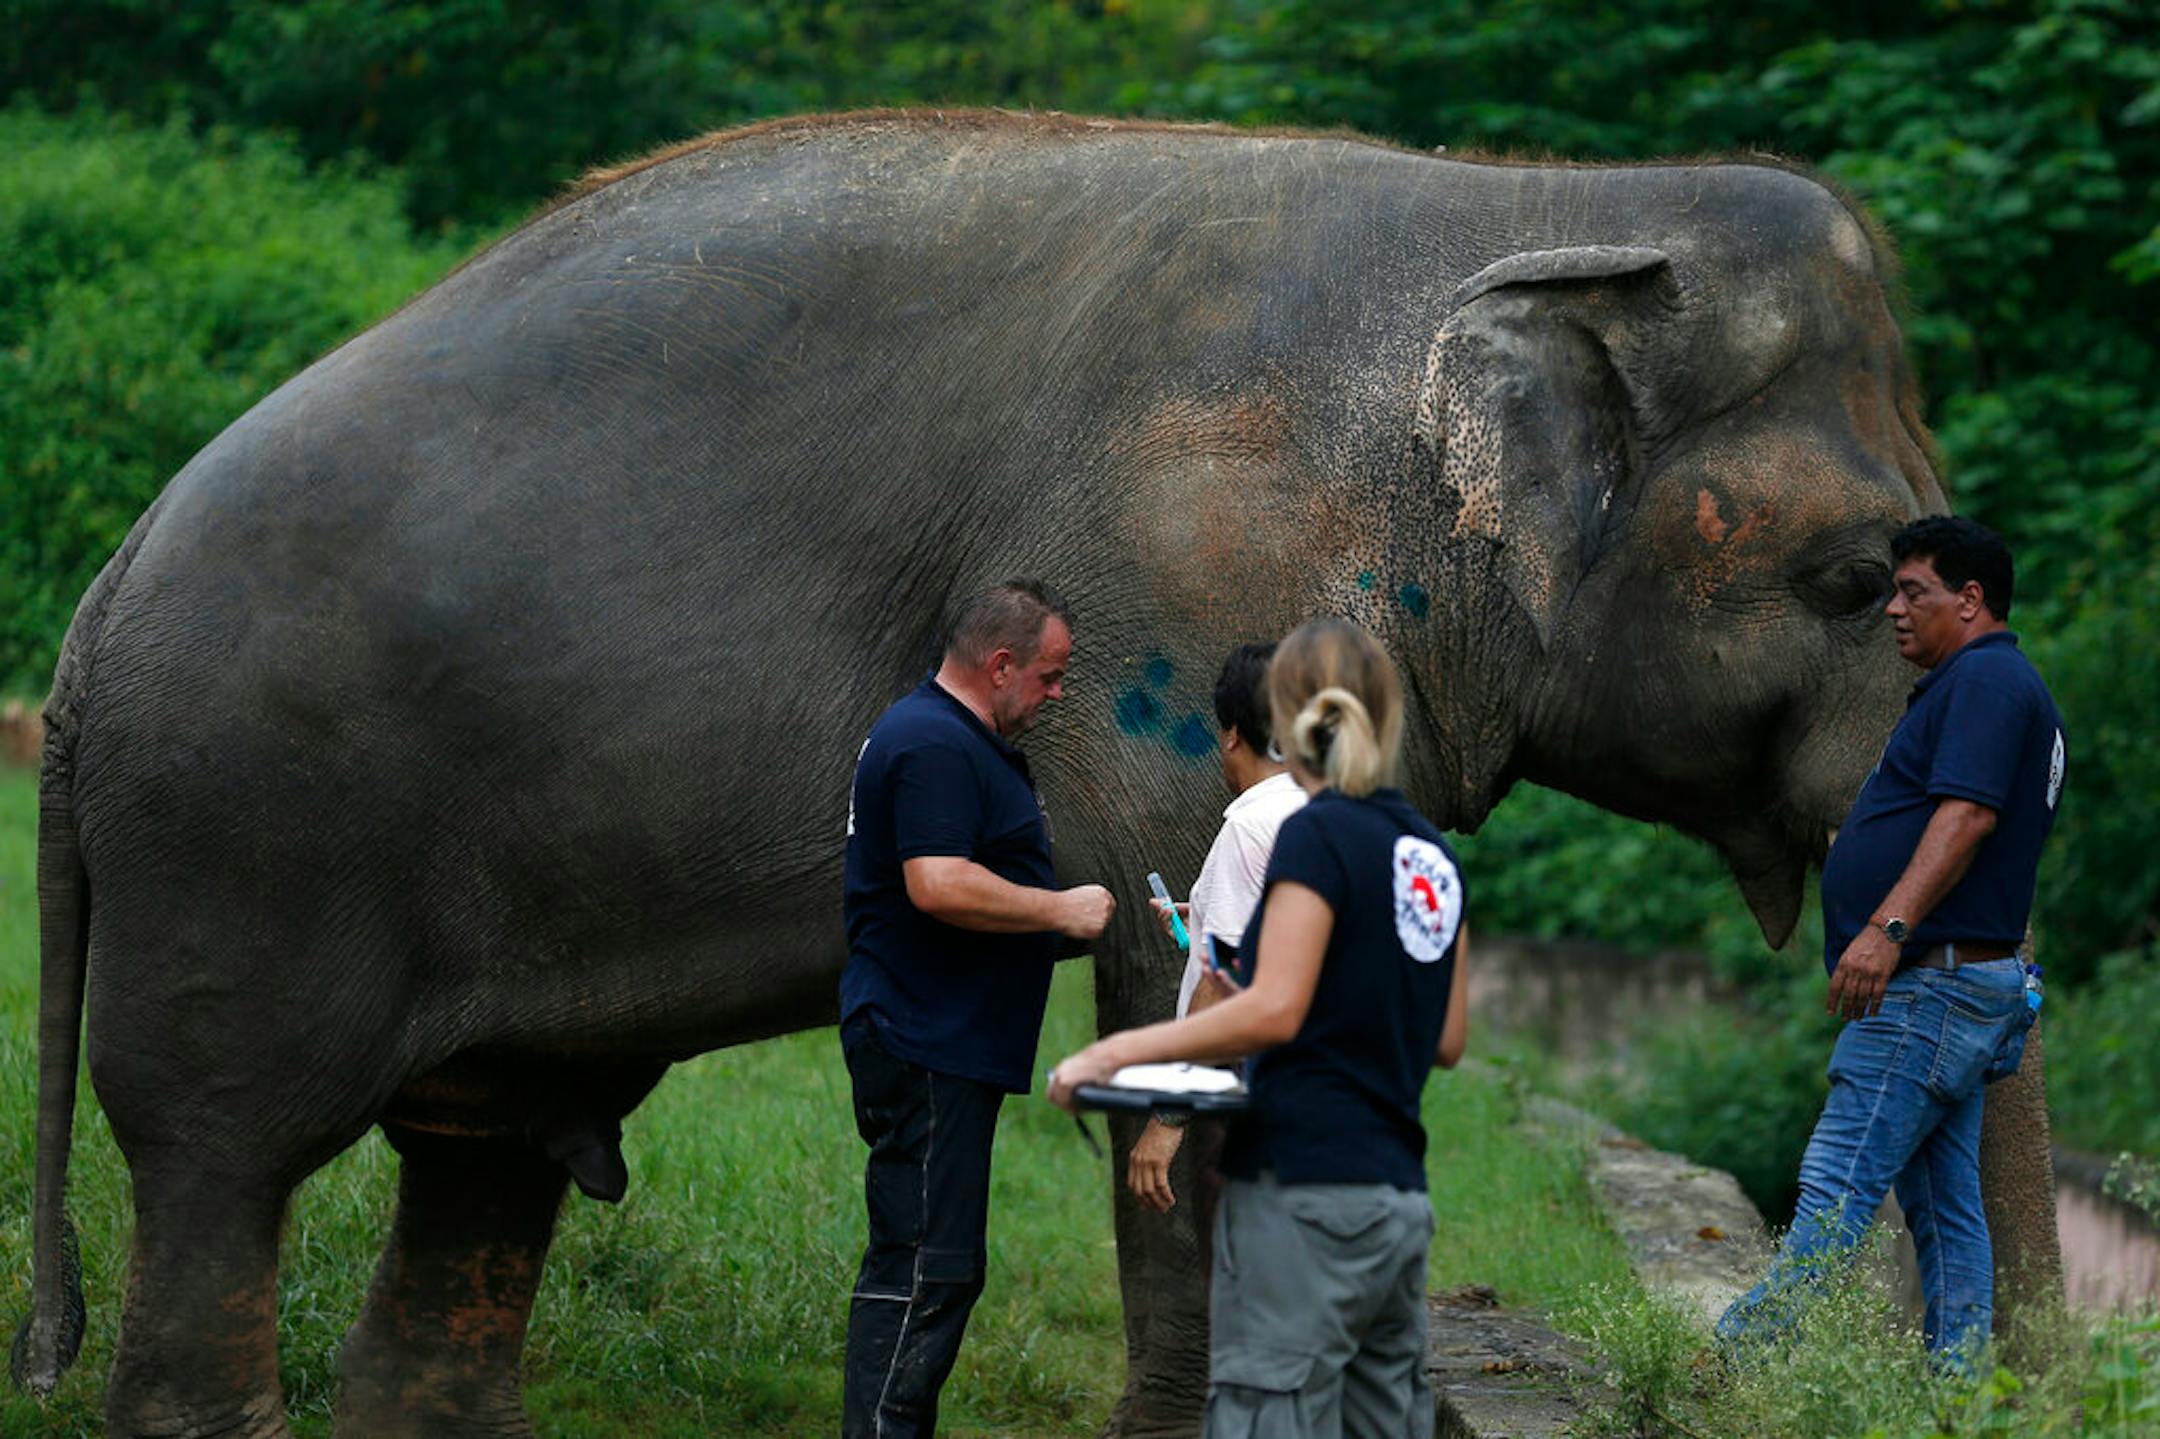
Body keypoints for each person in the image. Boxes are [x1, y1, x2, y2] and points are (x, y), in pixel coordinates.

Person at [1050, 616, 1470, 1439]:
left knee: (1268, 1417)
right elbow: (1447, 1037)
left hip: (1302, 1191)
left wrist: (1116, 1049)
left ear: (1288, 721)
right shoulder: (1428, 852)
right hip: (1397, 1202)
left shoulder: (1311, 832)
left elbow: (1272, 1006)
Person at [1719, 516, 2066, 1366]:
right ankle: (1958, 1397)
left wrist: (1886, 927)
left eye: (1914, 592)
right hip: (1963, 989)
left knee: (1836, 1186)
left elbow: (1969, 813)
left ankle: (1732, 1368)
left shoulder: (1987, 681)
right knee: (1948, 1213)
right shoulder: (1988, 684)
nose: (1893, 611)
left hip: (1929, 990)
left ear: (1971, 600)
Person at [838, 578, 1115, 1438]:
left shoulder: (956, 742)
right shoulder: (931, 742)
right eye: (1049, 675)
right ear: (1000, 665)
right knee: (926, 1268)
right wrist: (1060, 908)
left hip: (946, 1041)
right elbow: (937, 881)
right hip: (925, 1040)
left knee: (939, 1267)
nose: (1056, 693)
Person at [1128, 642, 1308, 1215]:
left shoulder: (1249, 828)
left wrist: (1167, 1120)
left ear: (1231, 735)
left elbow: (1221, 976)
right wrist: (1205, 907)